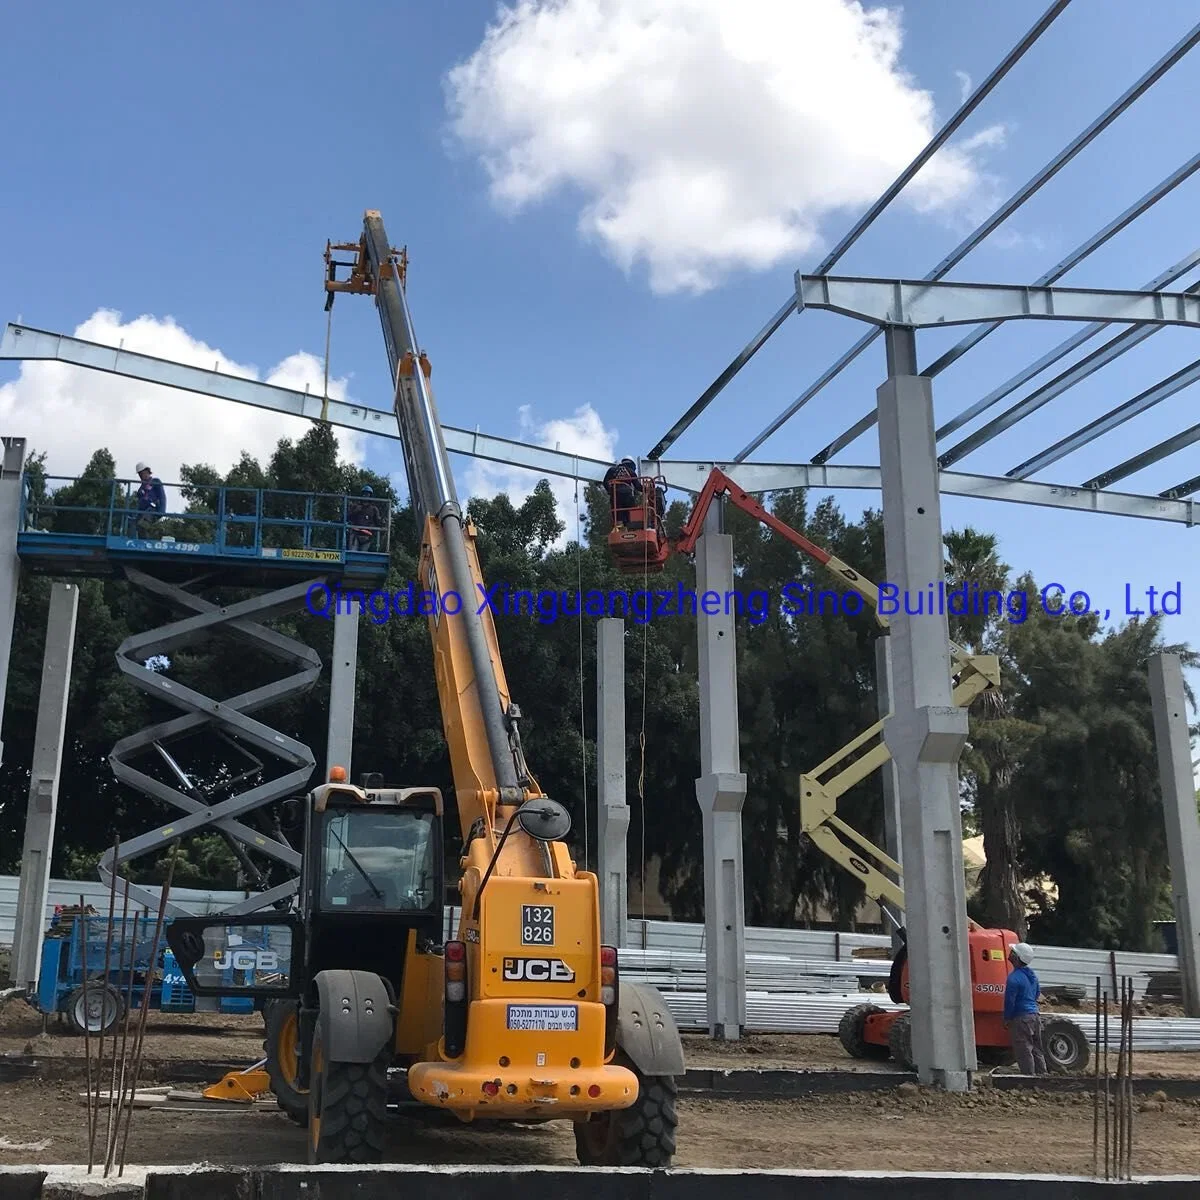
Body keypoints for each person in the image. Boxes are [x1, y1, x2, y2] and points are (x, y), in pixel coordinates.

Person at [1003, 941, 1047, 1074]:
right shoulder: (1032, 976)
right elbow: (1037, 993)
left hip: (1021, 1018)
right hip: (1035, 1015)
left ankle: (1029, 1079)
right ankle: (1042, 1075)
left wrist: (1007, 1018)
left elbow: (1010, 1001)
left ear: (1017, 958)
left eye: (1013, 952)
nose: (1010, 953)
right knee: (1036, 1049)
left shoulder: (1013, 978)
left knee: (1024, 1049)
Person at [603, 457, 643, 526]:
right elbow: (638, 486)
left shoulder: (612, 470)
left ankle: (618, 527)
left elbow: (605, 482)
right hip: (627, 495)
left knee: (618, 514)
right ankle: (630, 526)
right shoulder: (631, 471)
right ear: (631, 464)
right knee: (630, 514)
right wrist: (647, 489)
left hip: (616, 495)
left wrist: (610, 491)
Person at [133, 461, 166, 539]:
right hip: (143, 512)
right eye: (139, 474)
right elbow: (140, 501)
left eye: (142, 473)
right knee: (134, 525)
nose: (141, 476)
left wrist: (161, 511)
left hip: (153, 509)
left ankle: (145, 544)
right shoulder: (141, 488)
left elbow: (162, 497)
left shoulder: (155, 481)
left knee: (143, 525)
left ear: (147, 471)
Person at [346, 485, 380, 552]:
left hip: (367, 536)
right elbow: (348, 518)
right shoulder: (356, 506)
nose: (365, 496)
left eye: (367, 494)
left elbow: (378, 522)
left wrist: (383, 523)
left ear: (370, 496)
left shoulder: (374, 509)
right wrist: (355, 511)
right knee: (353, 554)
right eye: (364, 494)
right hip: (355, 534)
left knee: (363, 556)